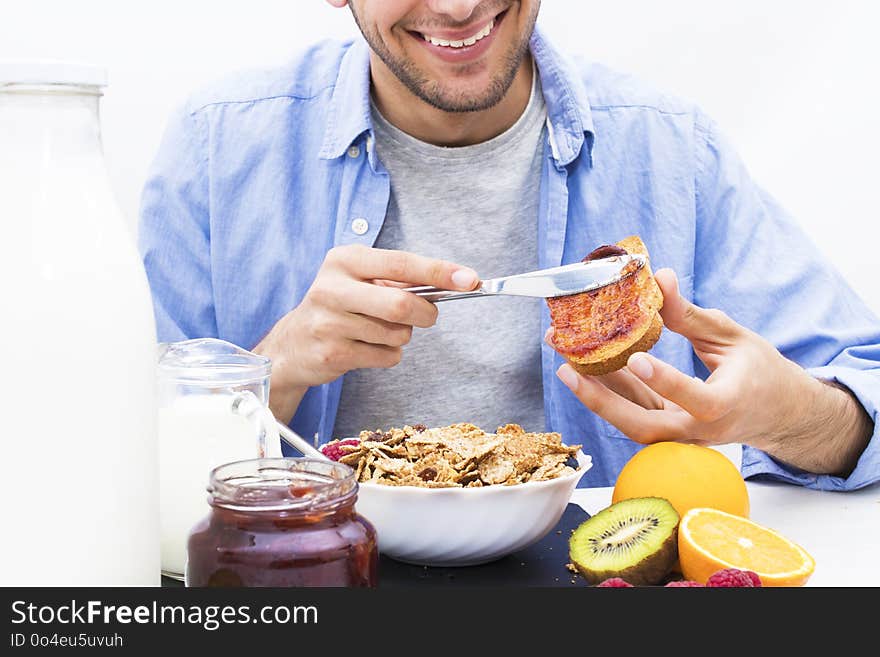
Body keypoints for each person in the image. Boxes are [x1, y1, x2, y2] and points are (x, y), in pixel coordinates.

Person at [139, 0, 879, 489]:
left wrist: (789, 414)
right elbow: (116, 464)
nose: (459, 8)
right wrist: (276, 367)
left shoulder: (669, 149)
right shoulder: (218, 149)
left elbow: (863, 396)